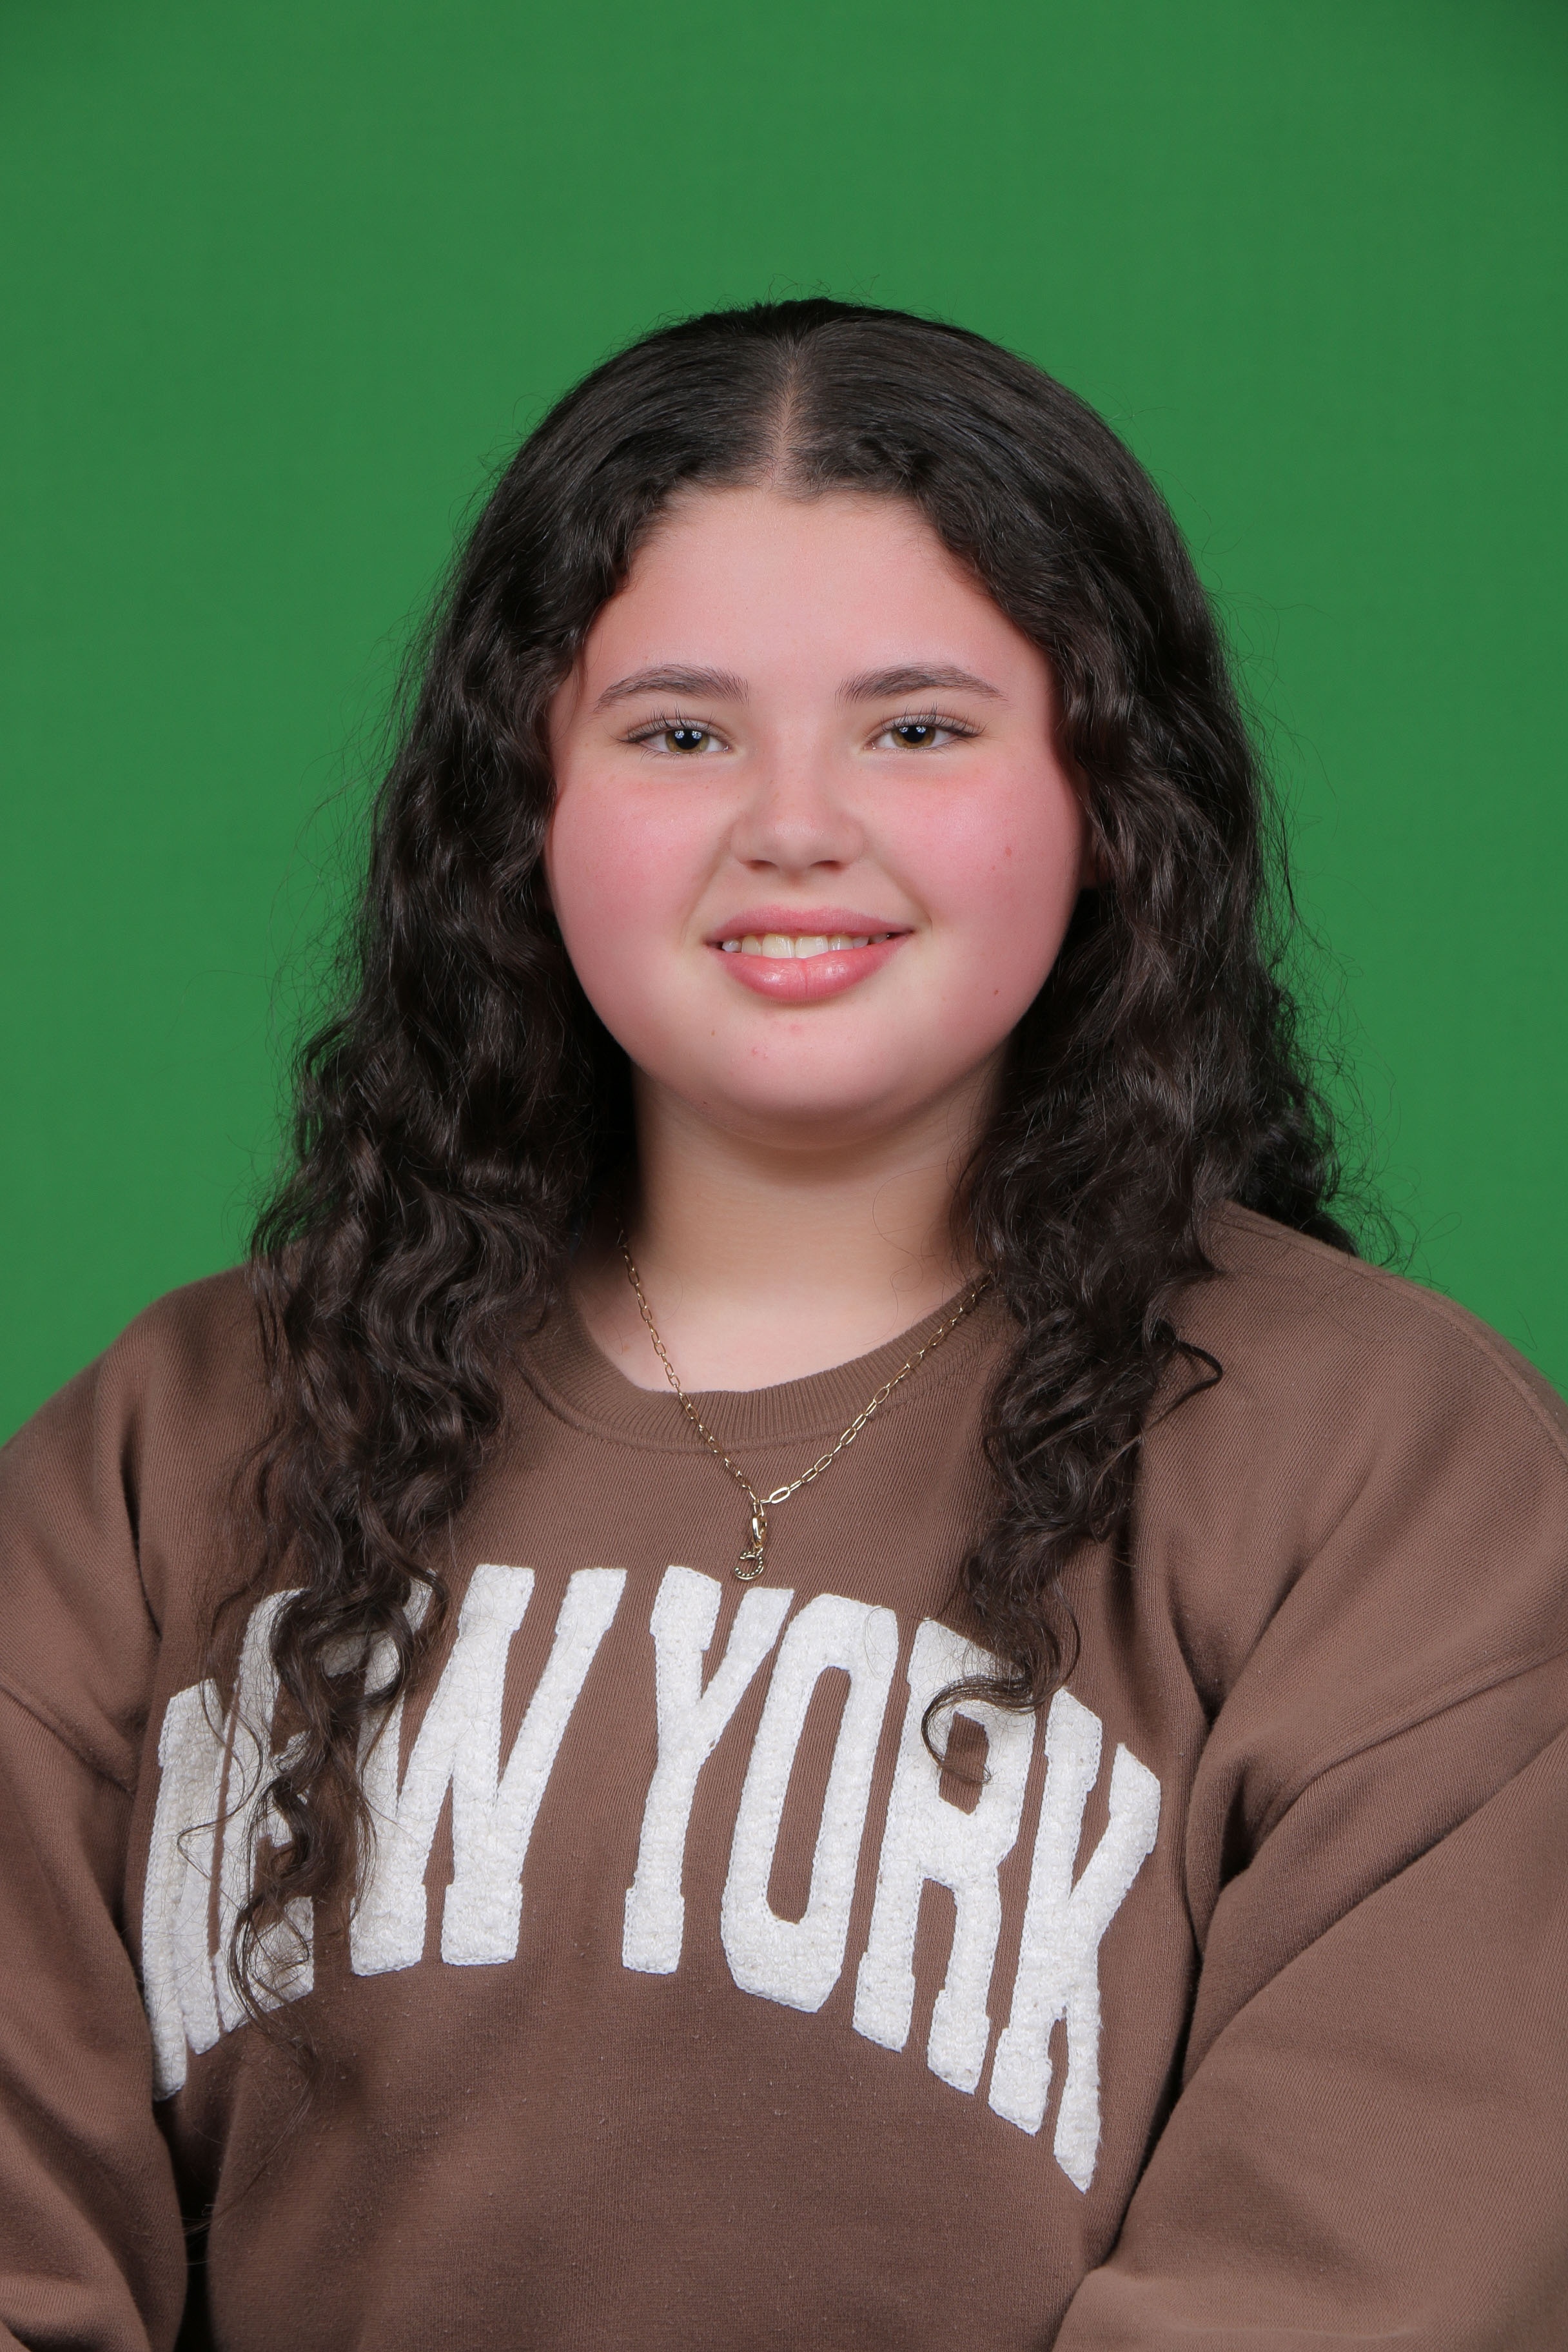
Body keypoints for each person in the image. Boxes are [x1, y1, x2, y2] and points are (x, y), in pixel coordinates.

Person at [1, 299, 1563, 2352]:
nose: (795, 822)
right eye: (679, 732)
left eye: (919, 728)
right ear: (523, 807)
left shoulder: (1389, 1468)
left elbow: (1365, 2282)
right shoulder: (179, 1436)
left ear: (1109, 797)